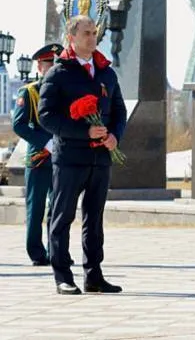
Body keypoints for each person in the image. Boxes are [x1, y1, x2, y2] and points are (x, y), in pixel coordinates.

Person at [38, 15, 127, 295]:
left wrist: (114, 136)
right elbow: (46, 117)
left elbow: (119, 111)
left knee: (94, 219)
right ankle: (62, 276)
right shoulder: (58, 73)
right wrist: (82, 132)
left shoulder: (106, 73)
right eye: (87, 33)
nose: (92, 37)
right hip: (69, 160)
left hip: (100, 160)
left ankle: (94, 275)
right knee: (62, 217)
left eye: (94, 32)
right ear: (71, 37)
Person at [12, 43, 64, 266]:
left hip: (62, 157)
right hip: (39, 158)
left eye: (56, 63)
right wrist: (46, 142)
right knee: (36, 208)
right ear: (40, 66)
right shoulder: (30, 91)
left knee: (59, 207)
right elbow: (19, 125)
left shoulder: (64, 91)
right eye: (48, 63)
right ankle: (36, 252)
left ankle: (57, 252)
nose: (52, 67)